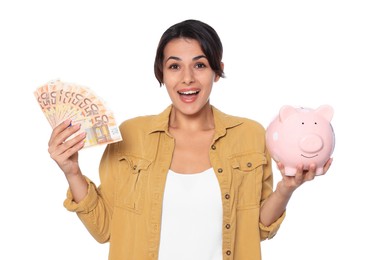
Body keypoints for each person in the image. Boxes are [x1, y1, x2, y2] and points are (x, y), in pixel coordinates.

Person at [48, 19, 332, 260]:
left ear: (216, 70)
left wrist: (286, 189)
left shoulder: (250, 135)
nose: (187, 79)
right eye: (174, 66)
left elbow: (258, 229)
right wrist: (72, 171)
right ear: (161, 71)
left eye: (199, 65)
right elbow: (105, 229)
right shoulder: (131, 135)